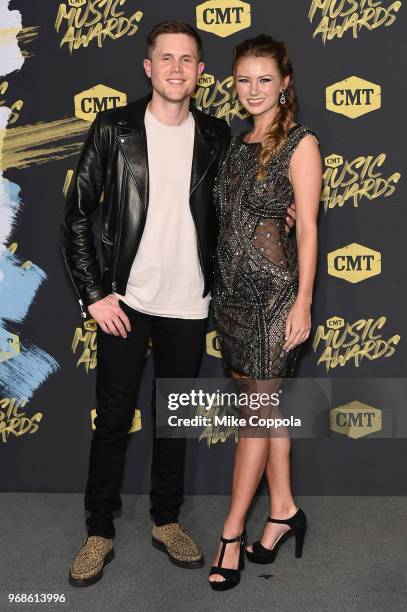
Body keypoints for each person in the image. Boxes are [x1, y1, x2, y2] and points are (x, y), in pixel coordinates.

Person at [61, 21, 296, 586]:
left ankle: (166, 519)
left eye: (186, 59)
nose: (175, 68)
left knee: (173, 421)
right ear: (149, 67)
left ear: (199, 72)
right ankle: (99, 530)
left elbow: (246, 201)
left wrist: (277, 218)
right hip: (126, 302)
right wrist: (94, 296)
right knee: (113, 419)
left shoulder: (217, 136)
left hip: (190, 306)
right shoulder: (114, 129)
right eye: (165, 58)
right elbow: (75, 216)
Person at [208, 35, 322, 591]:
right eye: (244, 80)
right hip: (230, 299)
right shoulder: (235, 144)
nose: (253, 90)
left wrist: (303, 303)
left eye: (265, 80)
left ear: (284, 84)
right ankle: (283, 509)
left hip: (275, 299)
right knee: (265, 411)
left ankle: (231, 533)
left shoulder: (300, 143)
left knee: (256, 414)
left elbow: (311, 230)